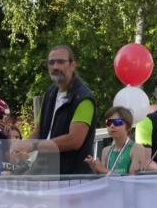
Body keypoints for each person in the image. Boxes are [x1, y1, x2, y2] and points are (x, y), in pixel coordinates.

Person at [12, 45, 96, 175]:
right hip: (45, 167)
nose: (55, 67)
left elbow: (74, 140)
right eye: (51, 62)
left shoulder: (83, 98)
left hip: (70, 175)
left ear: (72, 65)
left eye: (61, 62)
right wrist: (22, 146)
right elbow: (39, 131)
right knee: (14, 185)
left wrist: (34, 145)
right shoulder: (50, 93)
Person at [85, 107, 149, 176]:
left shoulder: (137, 148)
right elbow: (104, 177)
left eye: (117, 122)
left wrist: (102, 170)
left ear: (129, 127)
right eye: (109, 122)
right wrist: (95, 169)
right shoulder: (105, 150)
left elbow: (133, 179)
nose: (112, 126)